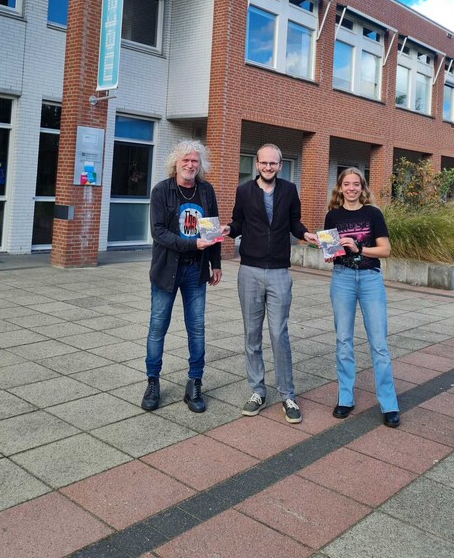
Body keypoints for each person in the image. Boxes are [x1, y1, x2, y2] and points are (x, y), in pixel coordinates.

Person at [223, 143, 318, 423]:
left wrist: (306, 235)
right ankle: (257, 391)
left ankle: (287, 394)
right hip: (249, 270)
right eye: (264, 163)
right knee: (252, 335)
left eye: (273, 164)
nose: (268, 168)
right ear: (256, 163)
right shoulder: (244, 191)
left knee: (279, 334)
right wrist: (227, 230)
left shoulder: (289, 190)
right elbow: (237, 223)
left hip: (279, 271)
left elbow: (294, 223)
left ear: (279, 165)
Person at [141, 140, 222, 414]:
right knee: (157, 327)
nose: (190, 165)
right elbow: (158, 232)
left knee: (196, 328)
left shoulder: (206, 190)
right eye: (186, 160)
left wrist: (216, 262)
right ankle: (153, 382)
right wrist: (192, 245)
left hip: (196, 270)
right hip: (167, 270)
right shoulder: (162, 190)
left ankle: (195, 382)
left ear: (200, 166)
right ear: (176, 162)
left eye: (195, 161)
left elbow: (212, 228)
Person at [323, 167, 400, 427]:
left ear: (362, 187)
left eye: (356, 184)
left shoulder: (373, 213)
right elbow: (331, 251)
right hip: (342, 278)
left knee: (379, 343)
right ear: (340, 187)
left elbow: (385, 250)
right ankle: (345, 398)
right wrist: (327, 251)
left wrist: (359, 248)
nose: (352, 188)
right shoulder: (332, 216)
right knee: (343, 341)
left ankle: (389, 404)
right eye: (347, 184)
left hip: (370, 280)